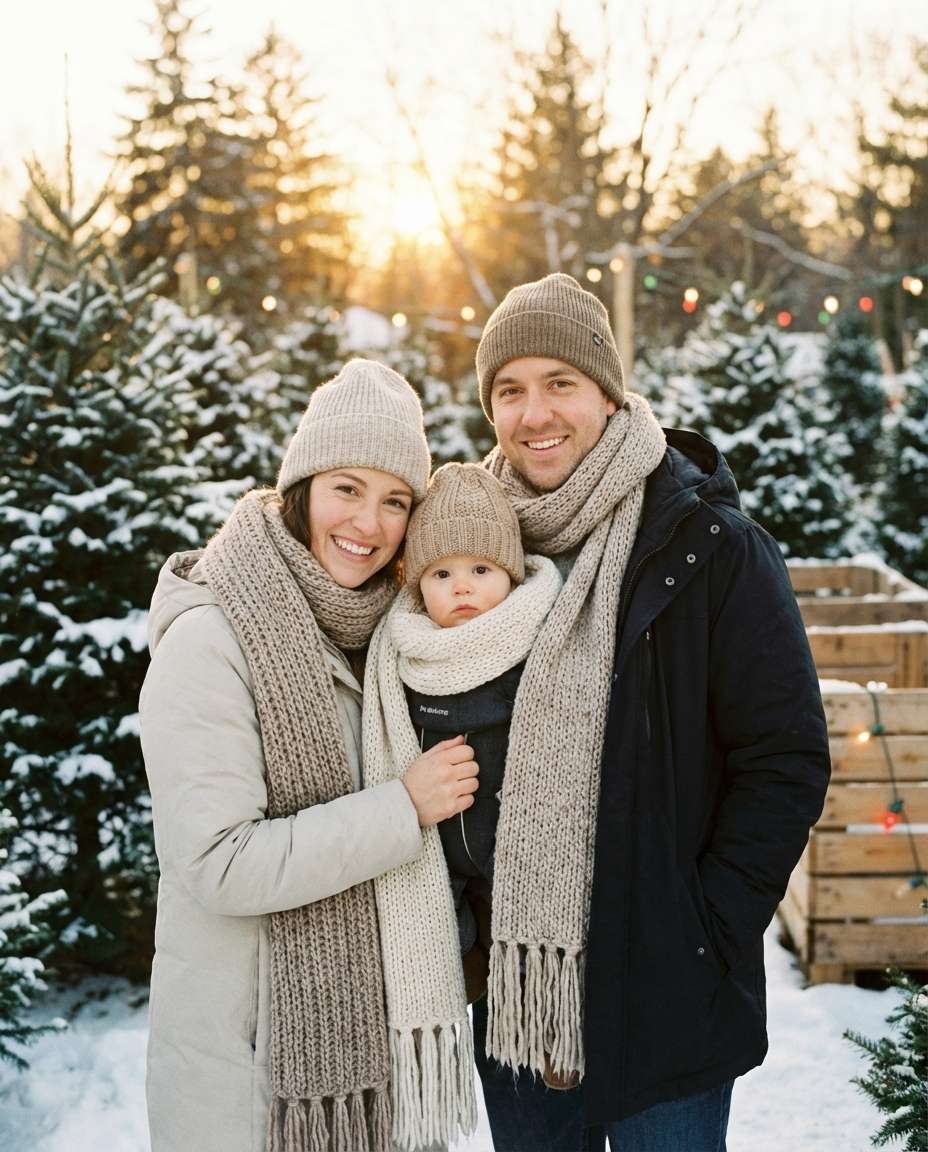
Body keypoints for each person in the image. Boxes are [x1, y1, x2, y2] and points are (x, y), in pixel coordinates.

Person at [469, 273, 831, 1152]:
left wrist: (705, 927)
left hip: (670, 992)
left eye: (561, 383)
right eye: (509, 390)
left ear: (607, 392)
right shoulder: (474, 549)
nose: (535, 413)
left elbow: (783, 760)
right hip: (520, 994)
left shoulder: (712, 547)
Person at [139, 360, 480, 1152]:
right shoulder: (210, 639)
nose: (369, 522)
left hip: (373, 1071)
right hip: (252, 1086)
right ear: (301, 490)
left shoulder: (389, 638)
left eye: (396, 500)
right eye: (347, 489)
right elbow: (220, 864)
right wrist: (403, 807)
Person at [362, 463, 561, 1149]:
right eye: (441, 574)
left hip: (537, 880)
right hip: (453, 881)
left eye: (480, 568)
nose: (463, 587)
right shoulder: (406, 658)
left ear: (510, 571)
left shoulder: (545, 641)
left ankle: (548, 1016)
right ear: (418, 585)